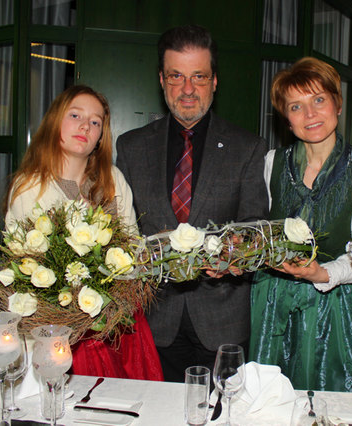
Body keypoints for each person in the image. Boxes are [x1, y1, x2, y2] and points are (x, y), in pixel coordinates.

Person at [115, 25, 269, 382]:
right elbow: (120, 231)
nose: (187, 89)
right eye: (176, 76)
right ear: (161, 80)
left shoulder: (247, 148)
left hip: (222, 321)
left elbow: (254, 225)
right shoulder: (131, 147)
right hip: (153, 319)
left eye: (198, 76)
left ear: (215, 81)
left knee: (222, 414)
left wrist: (233, 257)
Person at [5, 85, 163, 381]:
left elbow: (132, 246)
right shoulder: (31, 186)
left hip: (117, 325)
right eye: (75, 115)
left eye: (95, 122)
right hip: (57, 330)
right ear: (55, 121)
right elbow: (20, 266)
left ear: (101, 135)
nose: (84, 126)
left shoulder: (113, 179)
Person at [249, 57, 352, 392]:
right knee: (266, 400)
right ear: (287, 119)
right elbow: (257, 231)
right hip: (270, 302)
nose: (310, 114)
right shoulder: (271, 163)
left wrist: (321, 274)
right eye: (296, 106)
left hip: (330, 306)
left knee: (324, 401)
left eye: (319, 100)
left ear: (338, 104)